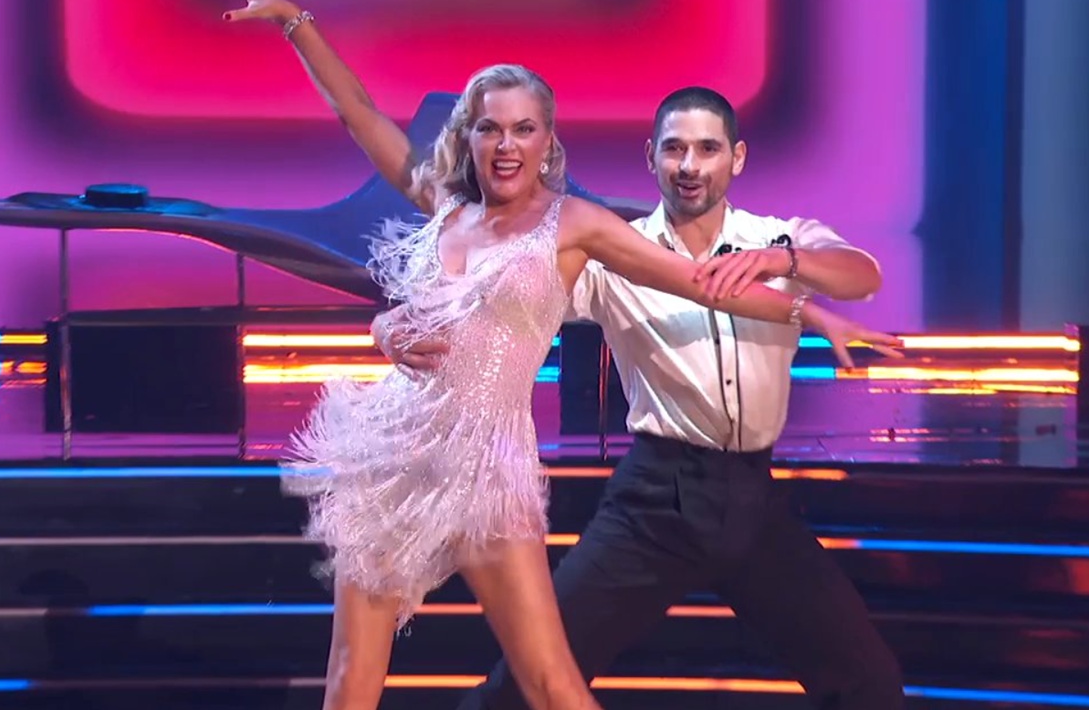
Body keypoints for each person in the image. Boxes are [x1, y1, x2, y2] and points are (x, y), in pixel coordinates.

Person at [224, 0, 902, 710]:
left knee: (549, 684)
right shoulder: (443, 205)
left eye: (523, 129)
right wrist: (298, 24)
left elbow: (695, 281)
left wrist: (805, 307)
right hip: (397, 452)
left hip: (490, 470)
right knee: (352, 678)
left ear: (547, 142)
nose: (506, 144)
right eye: (489, 127)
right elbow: (358, 114)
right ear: (469, 137)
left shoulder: (576, 226)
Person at [383, 87, 908, 709]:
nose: (690, 165)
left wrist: (783, 261)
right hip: (656, 499)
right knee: (528, 682)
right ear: (651, 158)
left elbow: (863, 274)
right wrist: (391, 325)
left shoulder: (777, 238)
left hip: (754, 499)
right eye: (675, 149)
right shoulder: (610, 254)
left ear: (735, 158)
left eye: (707, 149)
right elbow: (494, 295)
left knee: (870, 687)